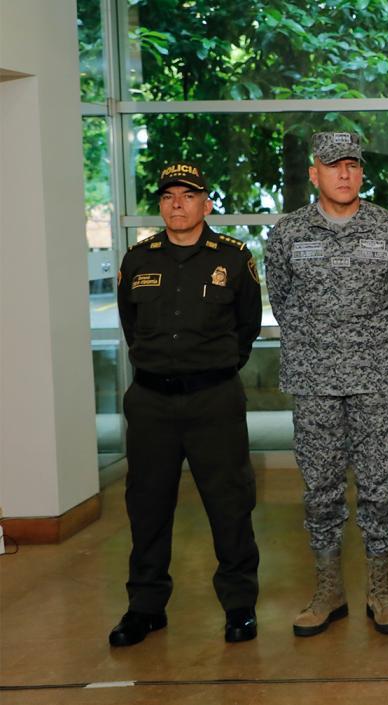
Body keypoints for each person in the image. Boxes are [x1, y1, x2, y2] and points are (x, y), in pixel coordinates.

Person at [265, 132, 388, 637]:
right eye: (333, 166)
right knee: (320, 489)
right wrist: (321, 344)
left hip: (376, 378)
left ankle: (381, 589)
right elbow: (282, 301)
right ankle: (328, 590)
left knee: (379, 487)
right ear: (315, 174)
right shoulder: (288, 233)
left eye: (352, 165)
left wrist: (367, 343)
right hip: (313, 381)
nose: (345, 174)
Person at [109, 162, 262, 647]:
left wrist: (211, 369)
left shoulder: (234, 259)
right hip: (152, 402)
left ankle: (239, 606)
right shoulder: (137, 259)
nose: (178, 203)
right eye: (169, 196)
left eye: (188, 195)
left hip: (213, 399)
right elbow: (131, 326)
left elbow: (247, 329)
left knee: (229, 503)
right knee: (147, 505)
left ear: (206, 203)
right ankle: (145, 607)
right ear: (161, 205)